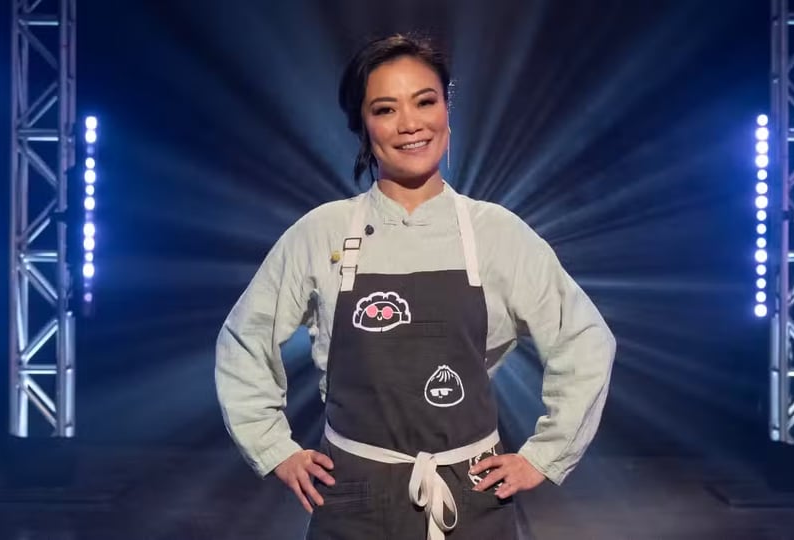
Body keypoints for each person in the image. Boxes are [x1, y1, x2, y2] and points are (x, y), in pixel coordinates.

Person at [215, 33, 616, 540]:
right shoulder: (323, 231)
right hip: (352, 493)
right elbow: (244, 339)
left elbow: (584, 339)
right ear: (363, 125)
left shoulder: (494, 232)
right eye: (385, 109)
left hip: (471, 496)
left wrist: (544, 456)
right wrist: (274, 448)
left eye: (424, 101)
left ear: (447, 110)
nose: (409, 124)